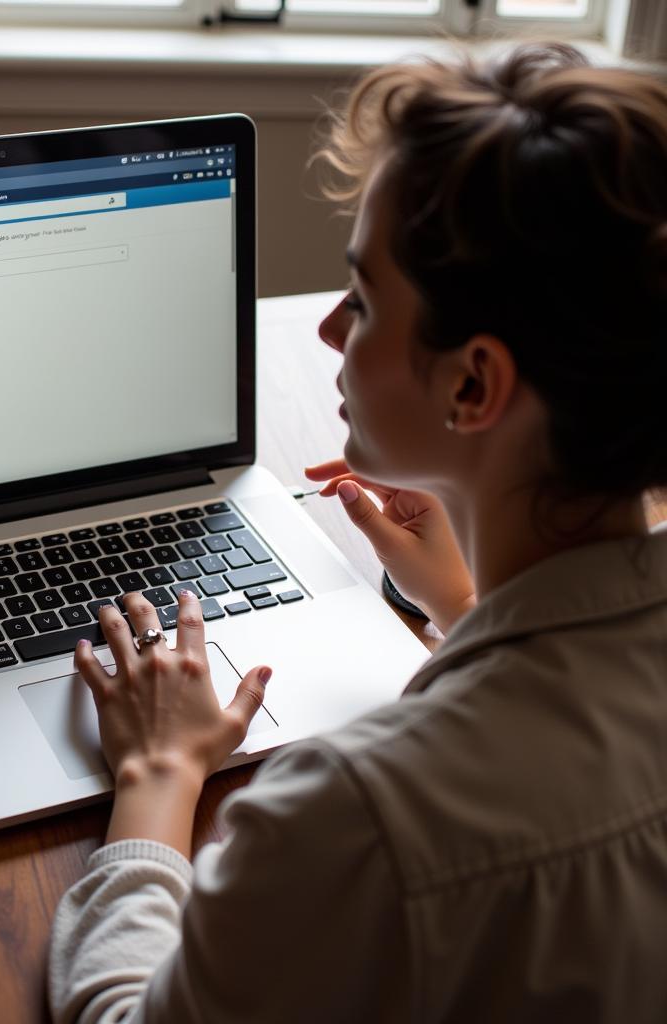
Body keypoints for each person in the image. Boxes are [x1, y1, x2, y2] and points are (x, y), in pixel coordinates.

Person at [48, 42, 667, 1023]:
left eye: (365, 300)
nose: (330, 331)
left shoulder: (353, 817)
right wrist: (466, 607)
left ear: (472, 385)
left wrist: (156, 777)